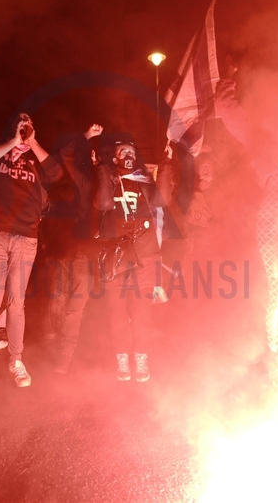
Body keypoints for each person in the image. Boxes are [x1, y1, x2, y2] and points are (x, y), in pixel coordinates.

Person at [0, 113, 62, 402]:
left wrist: (31, 142)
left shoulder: (35, 157)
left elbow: (56, 173)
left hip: (26, 236)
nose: (25, 129)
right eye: (21, 126)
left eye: (29, 125)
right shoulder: (0, 150)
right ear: (12, 128)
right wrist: (13, 142)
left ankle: (16, 360)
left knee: (17, 303)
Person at [96, 139, 166, 382]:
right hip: (116, 257)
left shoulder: (144, 180)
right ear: (115, 157)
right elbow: (103, 203)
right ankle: (122, 358)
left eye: (132, 152)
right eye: (123, 152)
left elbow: (161, 200)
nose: (129, 155)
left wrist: (166, 164)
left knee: (141, 314)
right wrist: (103, 170)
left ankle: (141, 357)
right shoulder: (109, 178)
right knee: (116, 313)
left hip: (144, 255)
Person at [49, 123, 103, 374]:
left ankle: (65, 354)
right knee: (57, 300)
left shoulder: (117, 185)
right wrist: (86, 136)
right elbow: (66, 154)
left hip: (91, 255)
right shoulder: (85, 182)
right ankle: (54, 344)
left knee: (75, 307)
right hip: (68, 248)